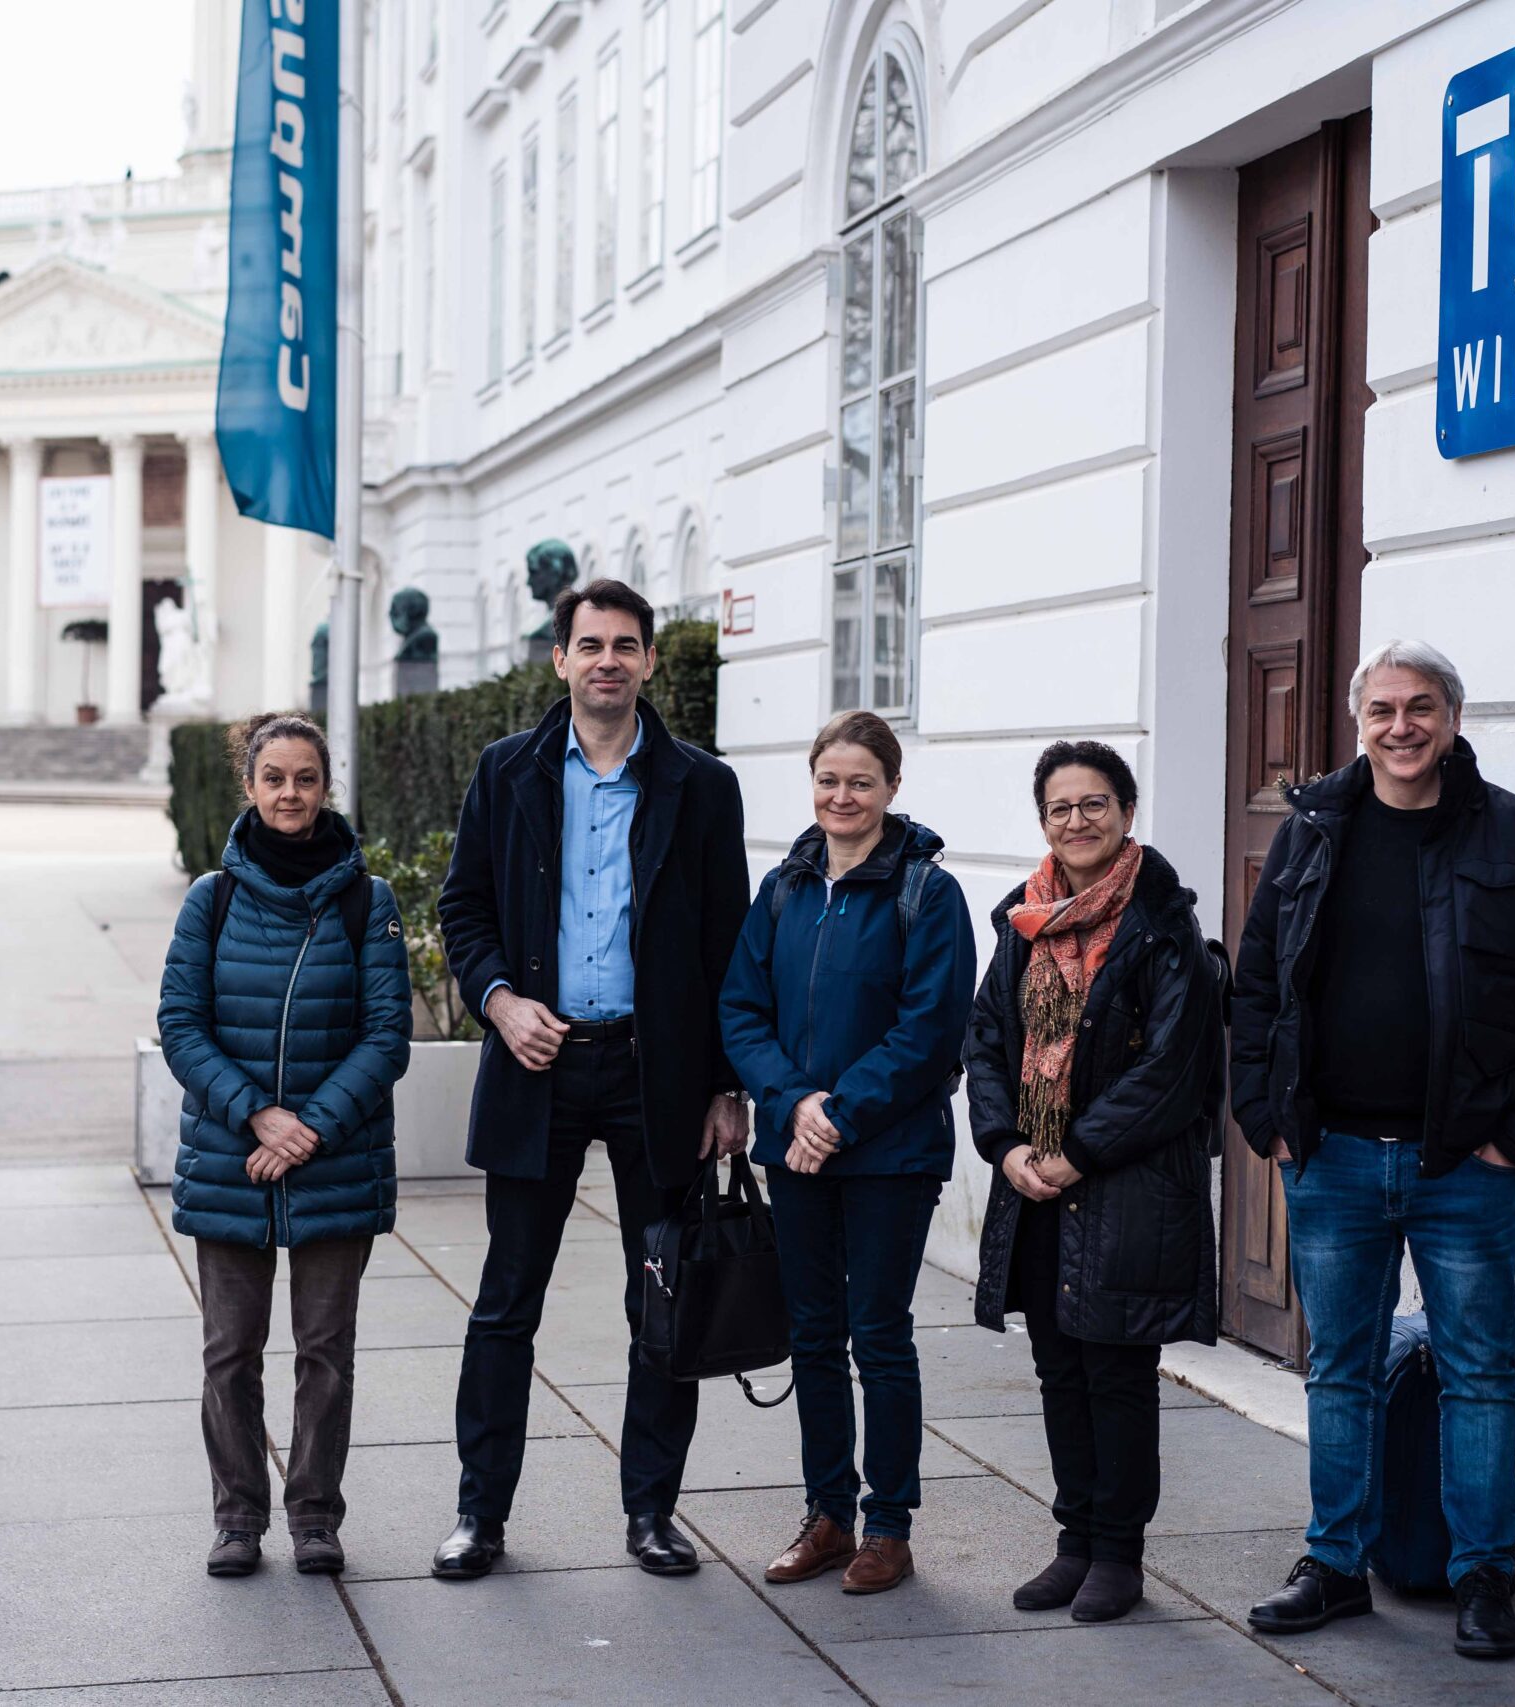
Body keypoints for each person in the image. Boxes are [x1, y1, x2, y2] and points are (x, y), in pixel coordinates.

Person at [1232, 641, 1515, 1662]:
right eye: (1383, 708)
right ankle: (1334, 1566)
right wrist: (1262, 1109)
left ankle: (1481, 1575)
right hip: (1334, 1156)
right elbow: (1259, 979)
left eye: (1421, 708)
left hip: (1461, 1167)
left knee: (1479, 1373)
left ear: (1451, 716)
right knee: (1339, 1371)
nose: (1402, 726)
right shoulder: (1312, 832)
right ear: (1358, 721)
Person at [431, 577, 752, 1580]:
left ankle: (651, 1512)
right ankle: (480, 1516)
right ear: (560, 660)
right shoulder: (508, 772)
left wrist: (726, 1086)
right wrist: (497, 1001)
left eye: (625, 644)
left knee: (661, 1299)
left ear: (650, 661)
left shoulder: (701, 785)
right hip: (539, 1067)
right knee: (505, 1302)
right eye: (590, 644)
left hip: (655, 1075)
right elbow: (464, 908)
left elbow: (727, 943)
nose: (607, 659)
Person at [963, 740, 1225, 1625]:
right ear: (1043, 819)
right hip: (1032, 1182)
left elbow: (1173, 1070)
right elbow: (988, 1039)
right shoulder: (1021, 918)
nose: (1078, 820)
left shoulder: (1162, 924)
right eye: (1061, 807)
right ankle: (1073, 1540)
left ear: (1126, 812)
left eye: (1095, 803)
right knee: (1058, 1369)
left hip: (1126, 1186)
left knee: (1116, 1373)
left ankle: (1119, 1552)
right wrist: (1005, 1147)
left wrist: (1076, 1152)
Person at [718, 711, 975, 1596]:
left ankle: (889, 1527)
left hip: (889, 1157)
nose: (842, 796)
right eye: (829, 779)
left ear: (892, 789)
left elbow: (931, 1030)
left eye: (861, 781)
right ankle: (828, 1513)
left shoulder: (926, 894)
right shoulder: (785, 887)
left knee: (880, 1336)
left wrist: (840, 1115)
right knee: (814, 1337)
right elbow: (740, 1009)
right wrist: (794, 1104)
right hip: (796, 1149)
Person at [156, 714, 413, 1581]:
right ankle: (236, 1516)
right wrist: (259, 1115)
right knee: (229, 1351)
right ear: (251, 785)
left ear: (325, 785)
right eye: (275, 777)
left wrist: (309, 1128)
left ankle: (313, 1515)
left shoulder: (366, 901)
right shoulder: (212, 899)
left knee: (324, 1351)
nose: (290, 793)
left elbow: (386, 1037)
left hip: (334, 1157)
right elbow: (181, 1027)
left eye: (306, 778)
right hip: (233, 1157)